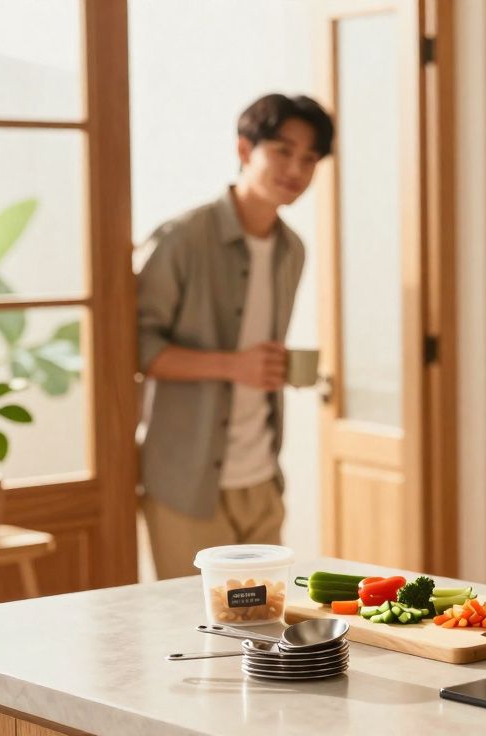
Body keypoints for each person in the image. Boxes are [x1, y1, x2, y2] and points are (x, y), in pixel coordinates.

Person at [135, 93, 334, 579]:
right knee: (193, 618)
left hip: (261, 479)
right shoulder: (181, 238)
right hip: (185, 483)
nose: (296, 169)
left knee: (265, 619)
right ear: (244, 149)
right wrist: (233, 365)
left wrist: (270, 367)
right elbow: (137, 348)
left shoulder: (292, 250)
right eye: (283, 151)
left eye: (309, 159)